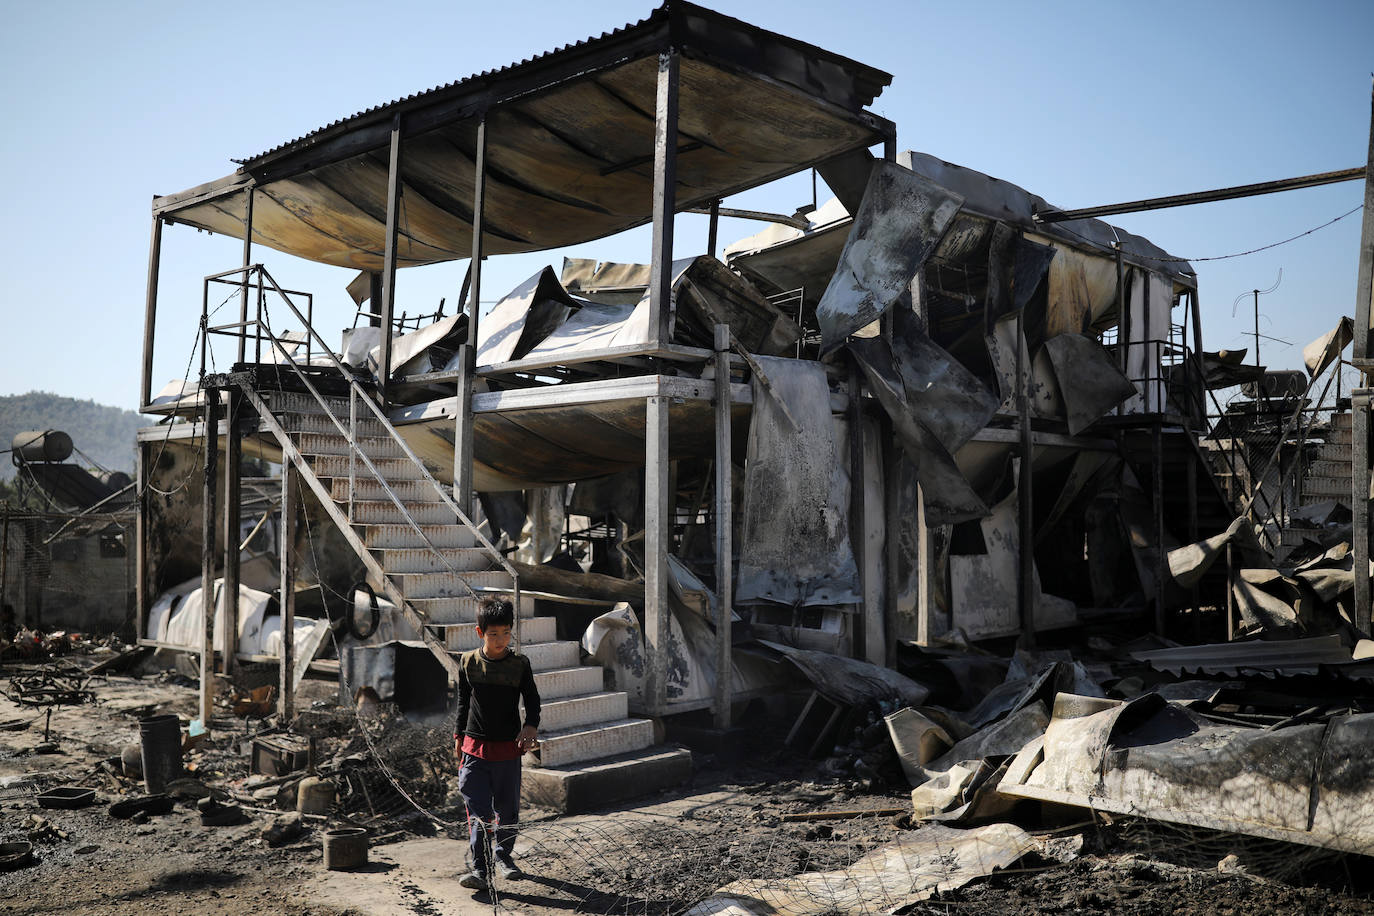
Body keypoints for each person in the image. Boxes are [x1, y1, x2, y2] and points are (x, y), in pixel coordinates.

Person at [454, 595, 540, 891]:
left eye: (506, 632)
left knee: (508, 809)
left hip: (507, 750)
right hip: (474, 749)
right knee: (478, 810)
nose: (501, 639)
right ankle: (479, 868)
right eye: (493, 634)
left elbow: (533, 700)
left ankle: (503, 856)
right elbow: (463, 702)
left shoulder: (519, 665)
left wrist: (530, 725)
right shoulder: (468, 662)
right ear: (480, 633)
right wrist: (457, 735)